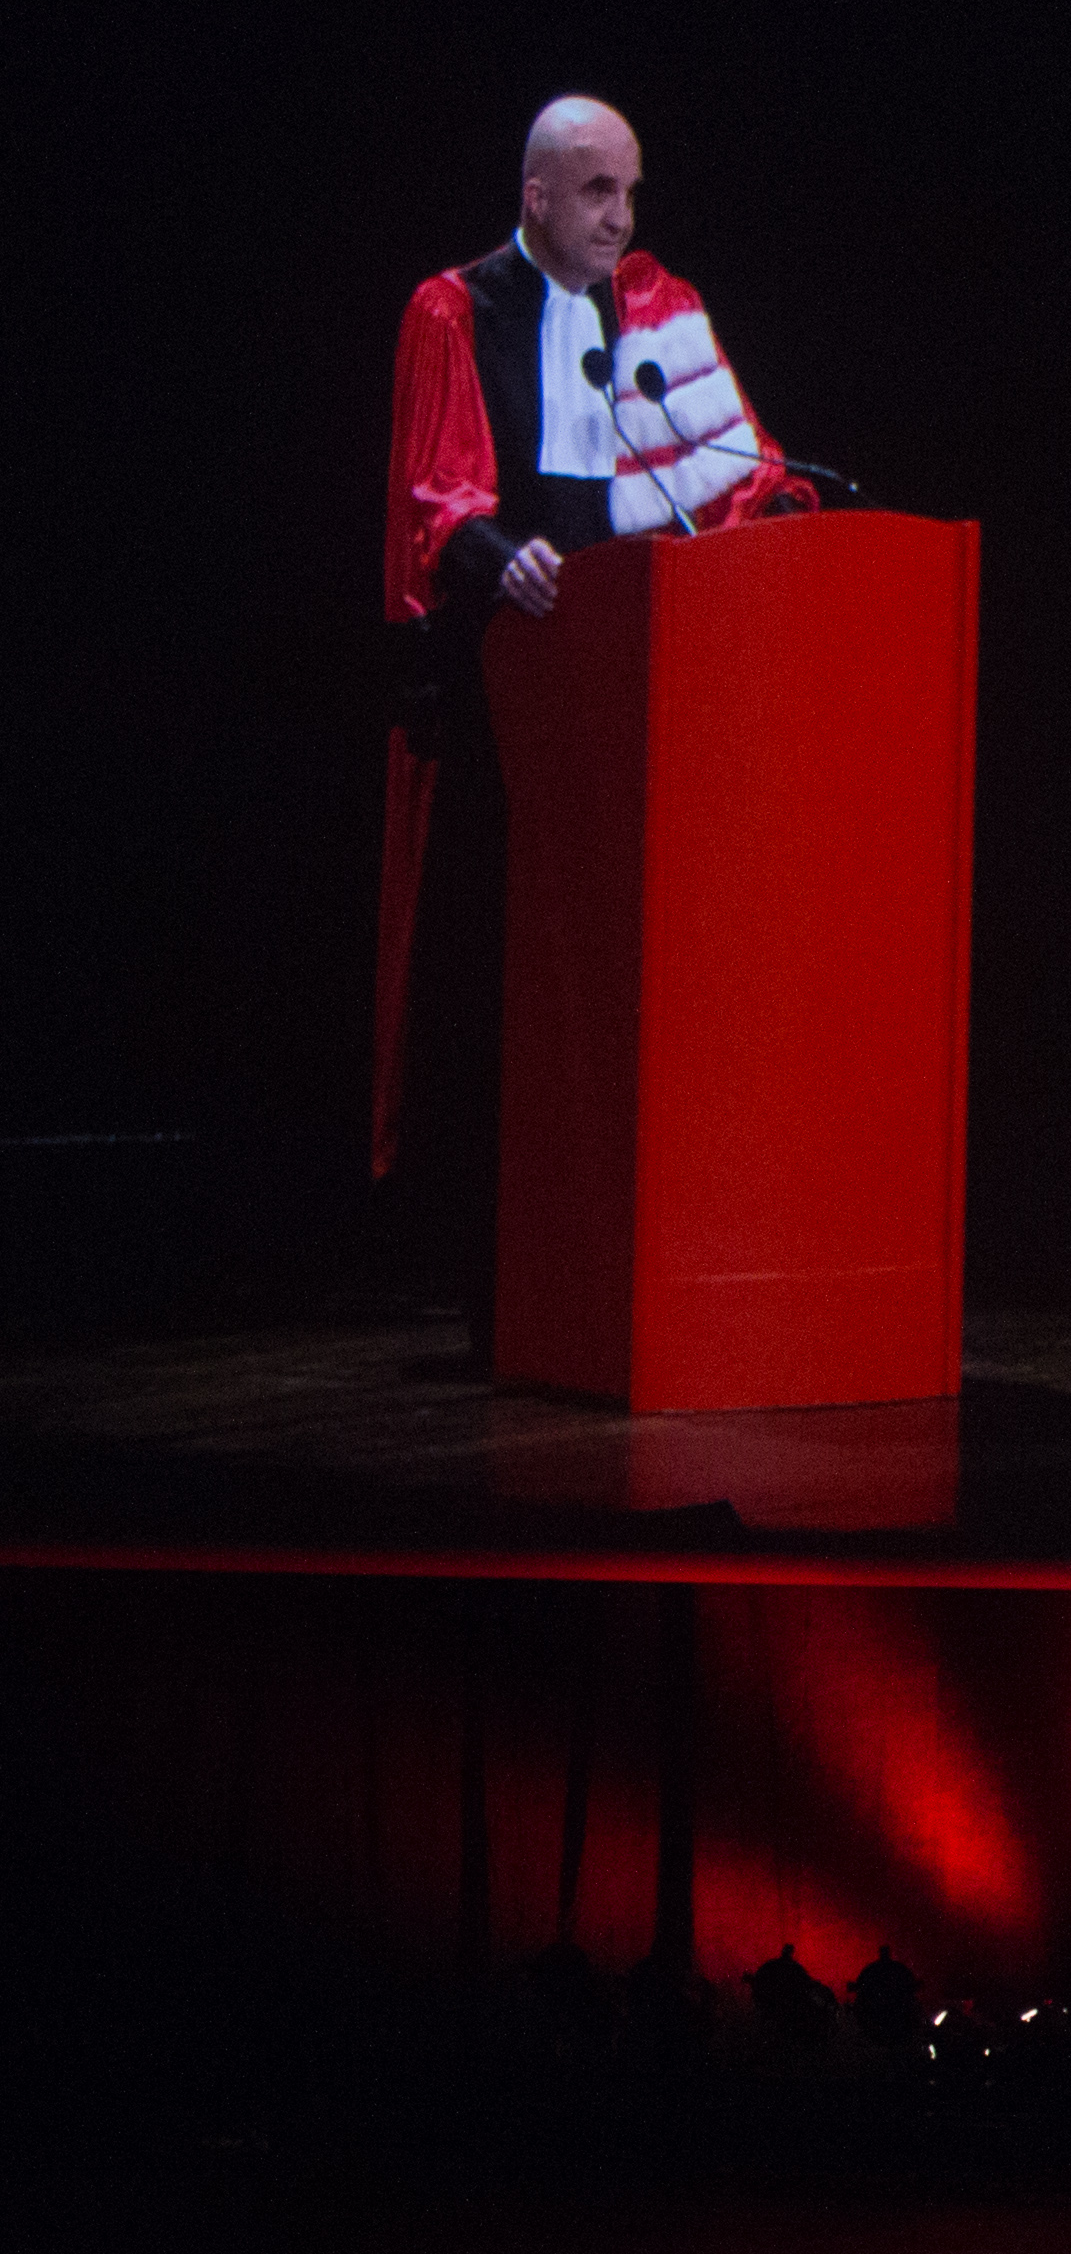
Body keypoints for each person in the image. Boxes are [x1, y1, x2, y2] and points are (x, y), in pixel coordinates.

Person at [372, 96, 813, 1340]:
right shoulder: (455, 309)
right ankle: (489, 1275)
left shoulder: (654, 313)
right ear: (537, 197)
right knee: (502, 977)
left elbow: (729, 471)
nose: (622, 218)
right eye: (598, 193)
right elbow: (437, 500)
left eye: (631, 192)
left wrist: (782, 512)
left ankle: (616, 1265)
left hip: (628, 691)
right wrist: (496, 555)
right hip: (503, 690)